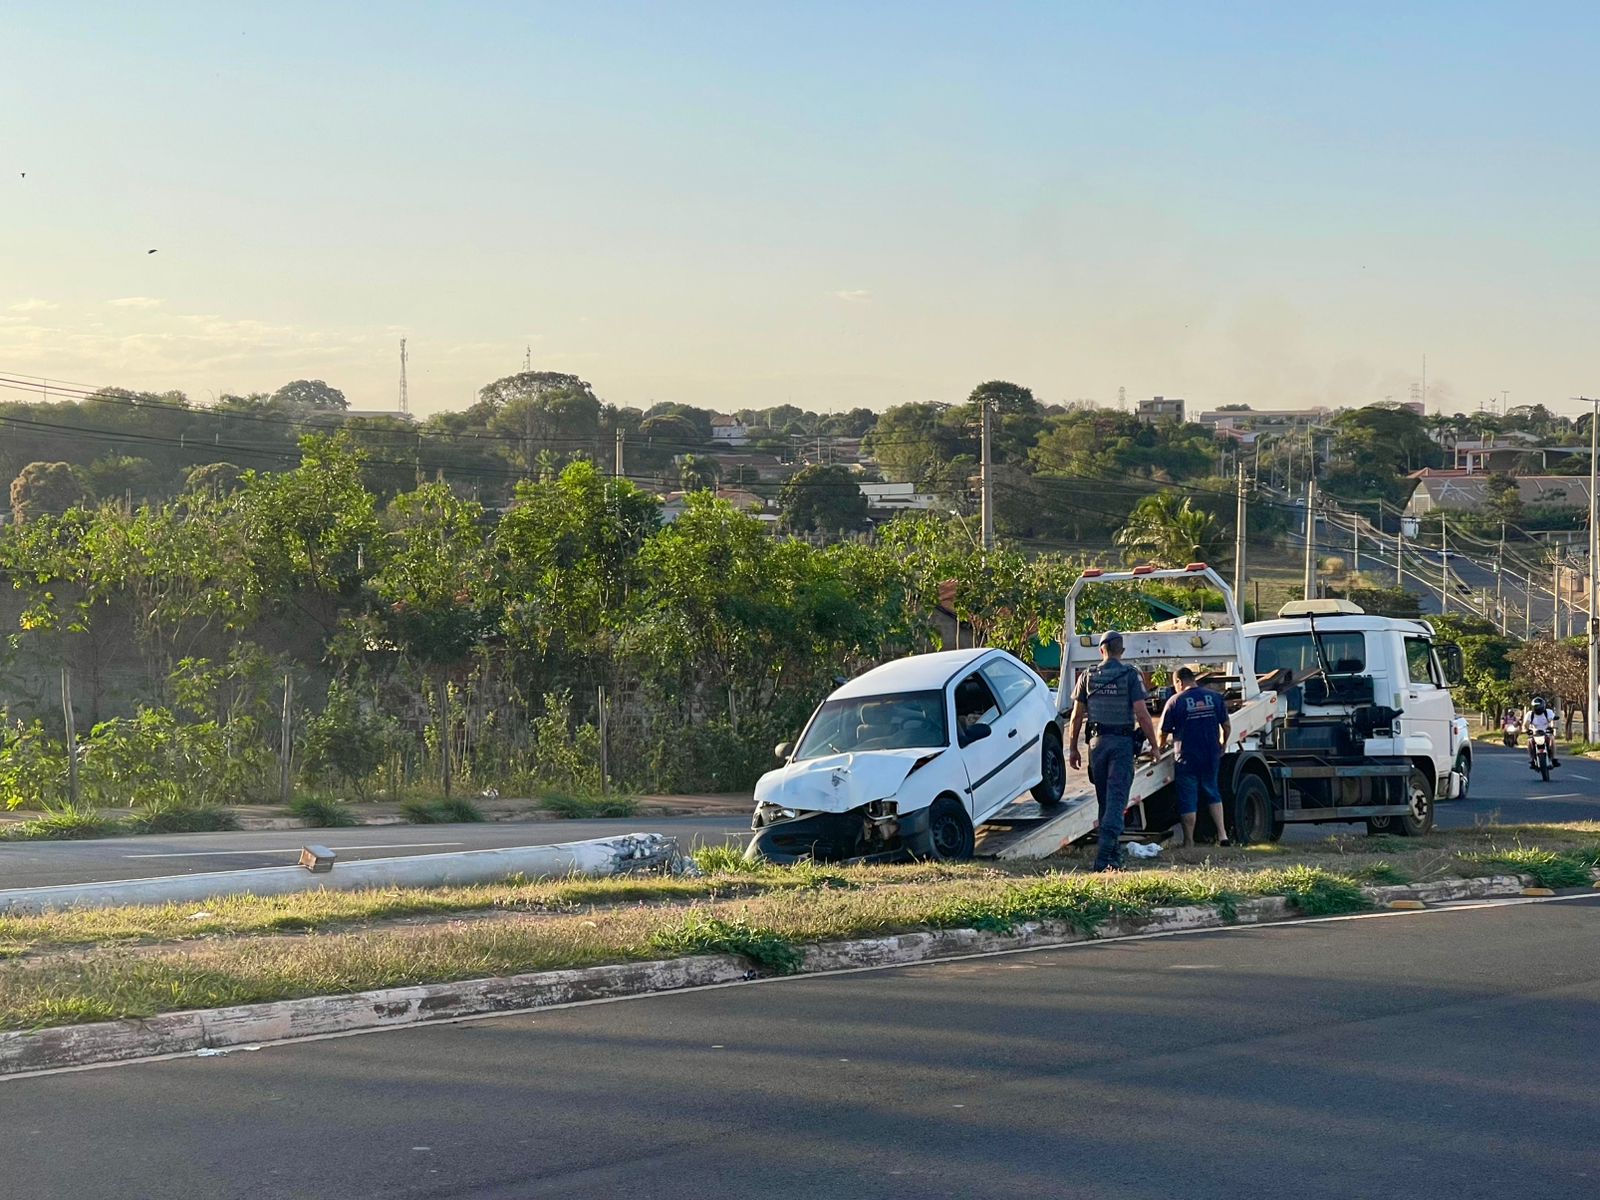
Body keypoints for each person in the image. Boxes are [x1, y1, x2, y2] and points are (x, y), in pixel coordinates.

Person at [1068, 630, 1159, 872]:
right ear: (1122, 651)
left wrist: (1072, 749)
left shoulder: (1087, 676)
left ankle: (1114, 858)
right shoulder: (1130, 675)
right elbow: (1142, 714)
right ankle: (1103, 858)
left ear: (1101, 651)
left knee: (1105, 802)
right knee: (1117, 802)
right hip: (1121, 744)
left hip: (1095, 745)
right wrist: (1155, 746)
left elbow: (1076, 716)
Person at [1158, 667, 1233, 848]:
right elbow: (1227, 725)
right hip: (1210, 754)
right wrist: (1223, 743)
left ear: (1179, 682)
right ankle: (1222, 836)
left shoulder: (1175, 701)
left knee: (1188, 798)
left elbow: (1162, 731)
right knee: (1212, 791)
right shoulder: (1215, 697)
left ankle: (1189, 841)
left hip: (1186, 757)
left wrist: (1159, 748)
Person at [1523, 696, 1559, 768]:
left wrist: (1551, 727)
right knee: (1529, 741)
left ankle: (1553, 758)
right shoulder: (1530, 714)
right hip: (1535, 733)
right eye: (1536, 706)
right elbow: (1525, 724)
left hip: (1546, 732)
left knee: (1552, 739)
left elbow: (1552, 719)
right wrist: (1527, 730)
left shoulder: (1548, 712)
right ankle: (1533, 759)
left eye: (1539, 706)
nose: (1537, 708)